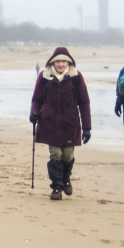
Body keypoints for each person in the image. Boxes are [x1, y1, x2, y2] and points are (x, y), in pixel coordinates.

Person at [29, 47, 91, 201]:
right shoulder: (44, 77)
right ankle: (56, 187)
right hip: (50, 123)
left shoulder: (76, 77)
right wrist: (34, 113)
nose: (61, 64)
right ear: (53, 62)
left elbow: (84, 103)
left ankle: (66, 179)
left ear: (68, 63)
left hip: (70, 124)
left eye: (64, 61)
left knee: (68, 155)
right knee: (55, 154)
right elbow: (36, 99)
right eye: (58, 61)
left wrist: (87, 128)